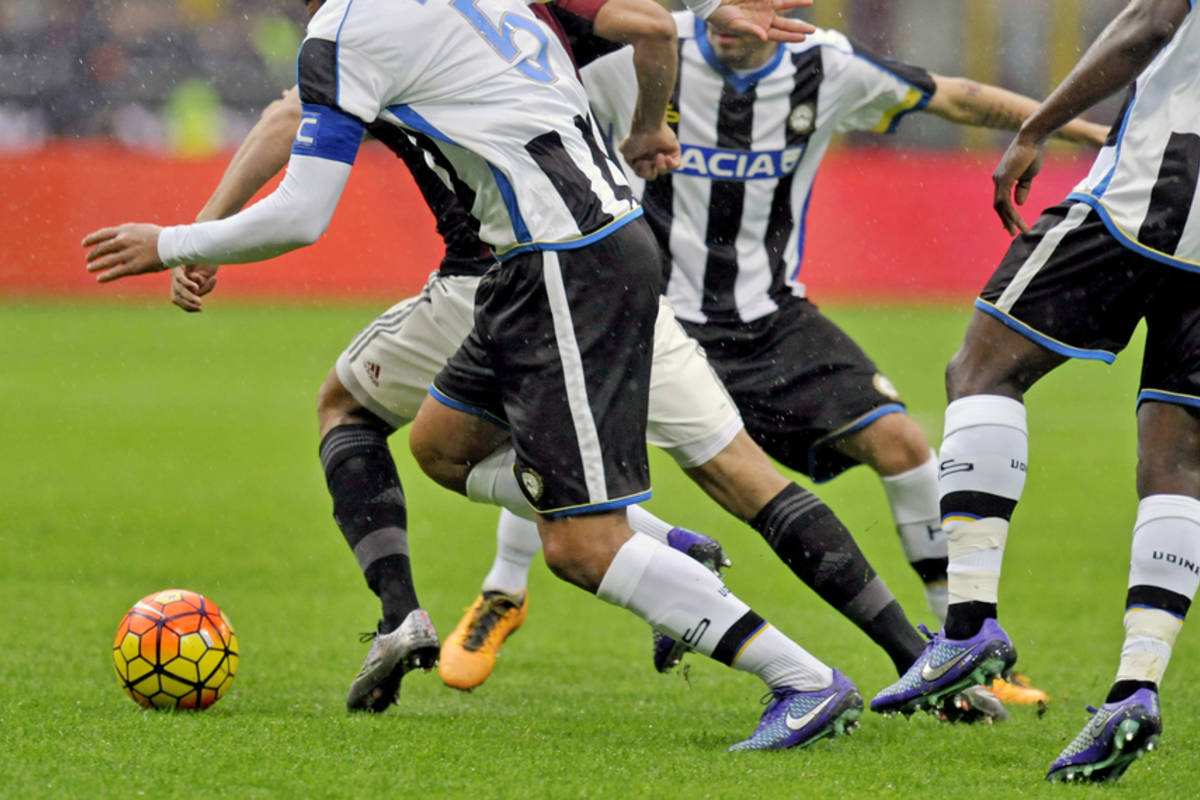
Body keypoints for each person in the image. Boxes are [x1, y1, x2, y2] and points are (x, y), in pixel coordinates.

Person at [84, 0, 874, 752]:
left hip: (564, 263)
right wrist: (696, 20)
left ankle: (801, 679)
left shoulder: (345, 30)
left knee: (580, 547)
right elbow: (621, 24)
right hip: (550, 259)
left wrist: (173, 242)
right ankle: (662, 547)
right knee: (440, 443)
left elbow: (302, 213)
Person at [449, 6, 1108, 704]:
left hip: (770, 320)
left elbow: (956, 97)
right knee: (555, 438)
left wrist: (1078, 129)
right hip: (654, 314)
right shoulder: (649, 52)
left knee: (904, 446)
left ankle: (962, 647)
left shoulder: (827, 66)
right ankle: (503, 590)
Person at [869, 0, 1196, 783]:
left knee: (983, 367)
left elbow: (1152, 20)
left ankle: (968, 625)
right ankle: (1136, 689)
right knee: (1181, 459)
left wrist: (1037, 126)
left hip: (1155, 190)